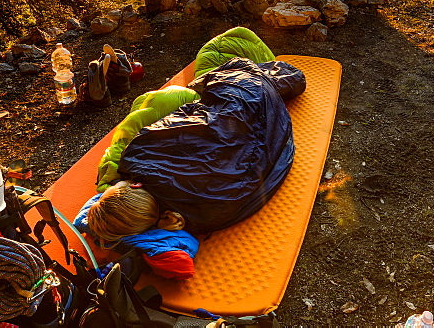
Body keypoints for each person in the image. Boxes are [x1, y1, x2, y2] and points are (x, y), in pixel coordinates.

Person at [78, 28, 305, 270]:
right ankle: (258, 69)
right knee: (219, 49)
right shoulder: (140, 157)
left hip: (266, 116)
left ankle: (262, 73)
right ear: (134, 185)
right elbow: (185, 118)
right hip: (243, 92)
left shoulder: (194, 218)